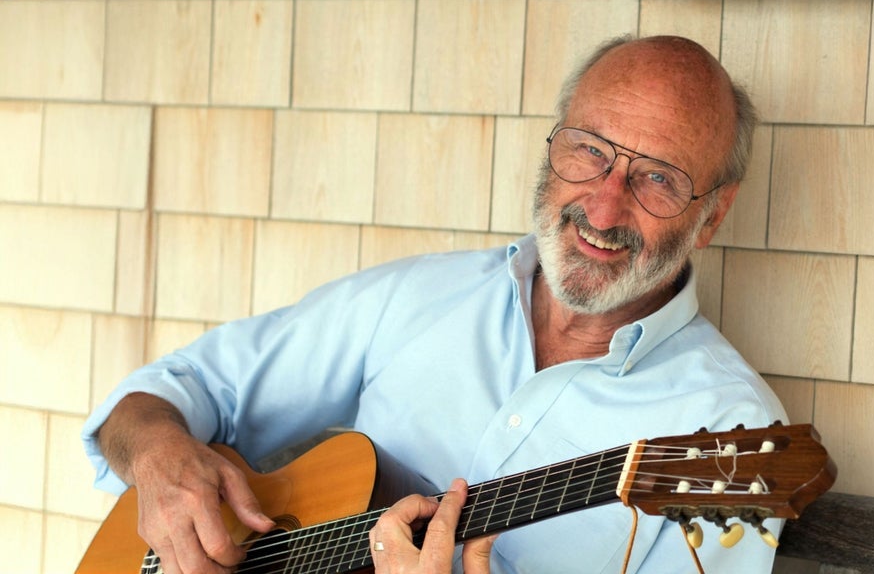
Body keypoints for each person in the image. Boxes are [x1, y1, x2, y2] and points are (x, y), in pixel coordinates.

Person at [82, 34, 787, 574]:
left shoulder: (732, 430)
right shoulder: (418, 297)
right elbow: (174, 390)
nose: (603, 208)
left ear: (713, 214)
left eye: (658, 179)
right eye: (589, 150)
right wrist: (157, 453)